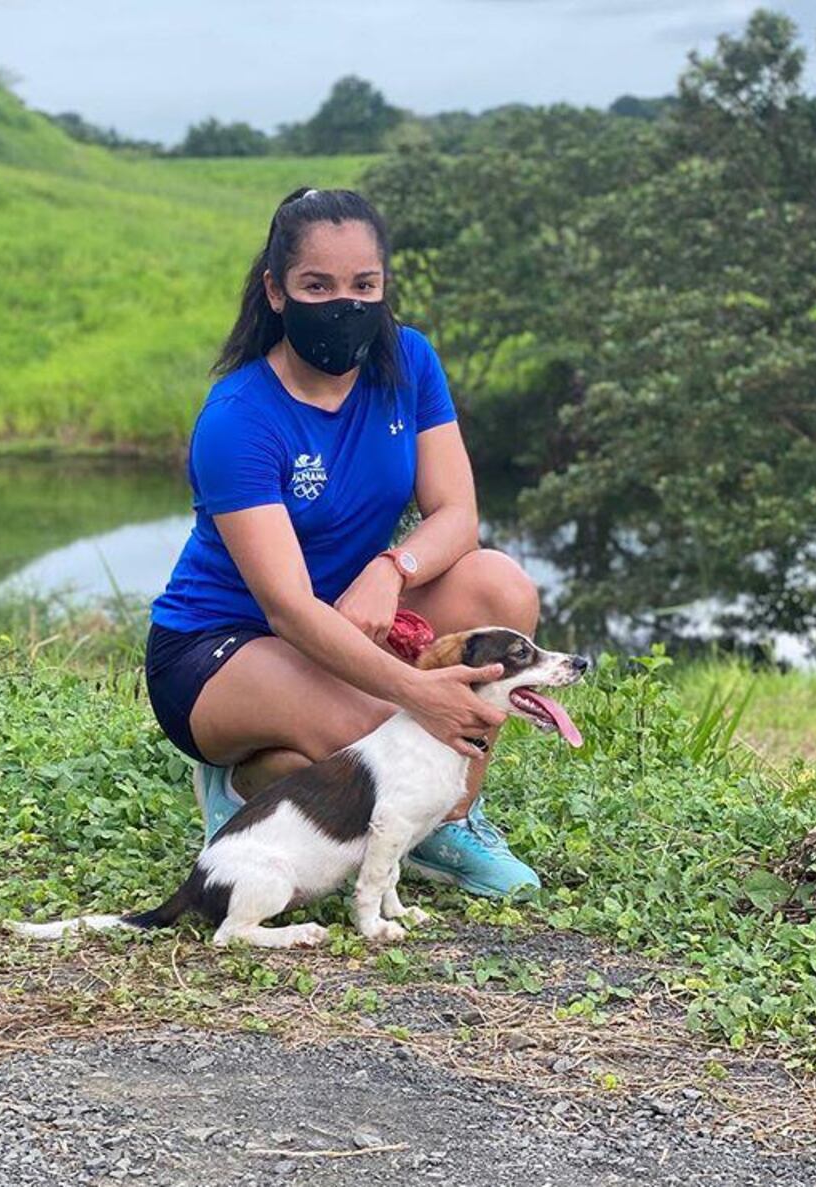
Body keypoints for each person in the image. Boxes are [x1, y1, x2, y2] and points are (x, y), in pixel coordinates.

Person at [144, 187, 543, 897]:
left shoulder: (409, 362)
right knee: (378, 729)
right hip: (226, 644)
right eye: (317, 286)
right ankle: (235, 773)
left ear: (385, 284)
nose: (345, 305)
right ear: (275, 290)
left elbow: (456, 513)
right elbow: (290, 609)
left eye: (365, 285)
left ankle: (452, 817)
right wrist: (419, 693)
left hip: (354, 607)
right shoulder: (239, 417)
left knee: (500, 588)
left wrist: (394, 567)